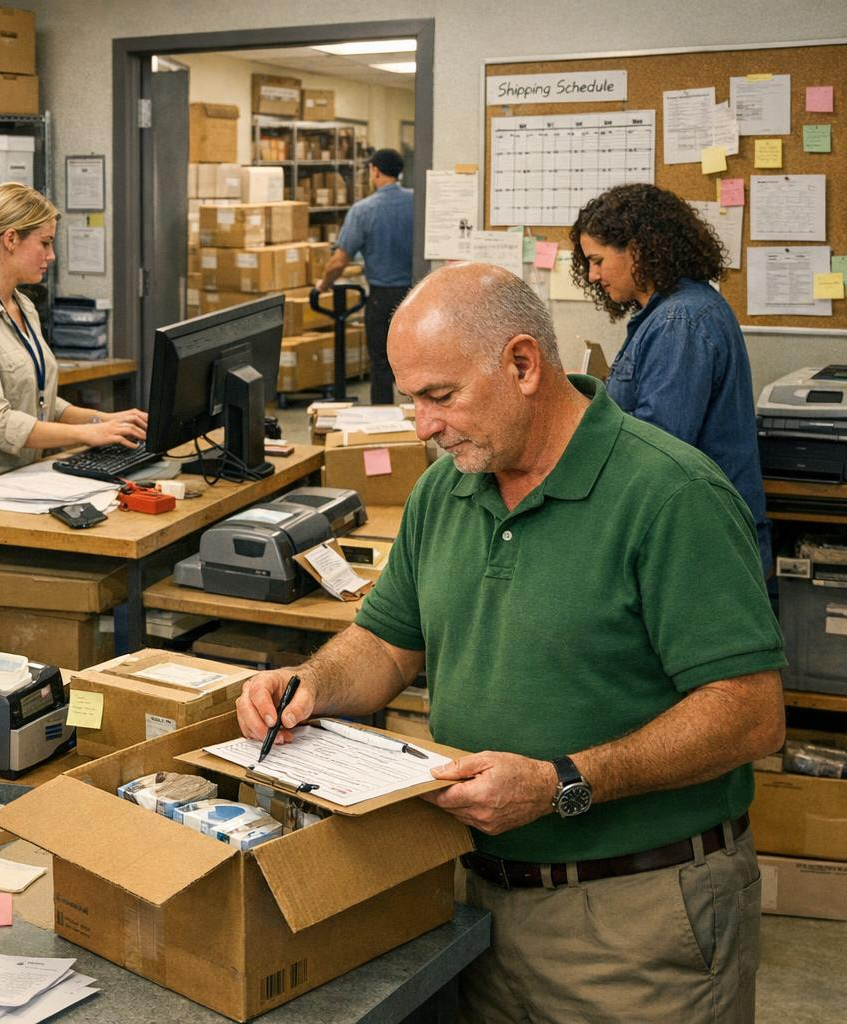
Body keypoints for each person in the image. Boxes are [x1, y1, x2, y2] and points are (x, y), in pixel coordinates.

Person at [236, 264, 785, 1022]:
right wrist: (309, 685)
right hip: (471, 894)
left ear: (523, 364)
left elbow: (750, 715)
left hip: (634, 923)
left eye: (440, 396)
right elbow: (388, 645)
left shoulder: (670, 496)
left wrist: (564, 781)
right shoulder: (446, 490)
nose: (422, 426)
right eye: (410, 400)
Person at [571, 182, 771, 574]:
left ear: (638, 250)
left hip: (703, 540)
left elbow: (657, 446)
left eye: (597, 260)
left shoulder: (680, 322)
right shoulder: (669, 314)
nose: (593, 275)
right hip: (694, 531)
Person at [0, 182, 147, 495]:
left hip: (17, 477)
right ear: (11, 239)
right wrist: (88, 434)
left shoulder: (22, 305)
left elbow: (40, 401)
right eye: (45, 243)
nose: (51, 256)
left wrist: (105, 421)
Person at [315, 147, 414, 405]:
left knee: (380, 363)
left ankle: (382, 419)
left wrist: (323, 285)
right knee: (416, 361)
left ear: (375, 171)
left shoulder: (363, 210)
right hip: (416, 297)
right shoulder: (418, 201)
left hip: (382, 298)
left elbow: (339, 260)